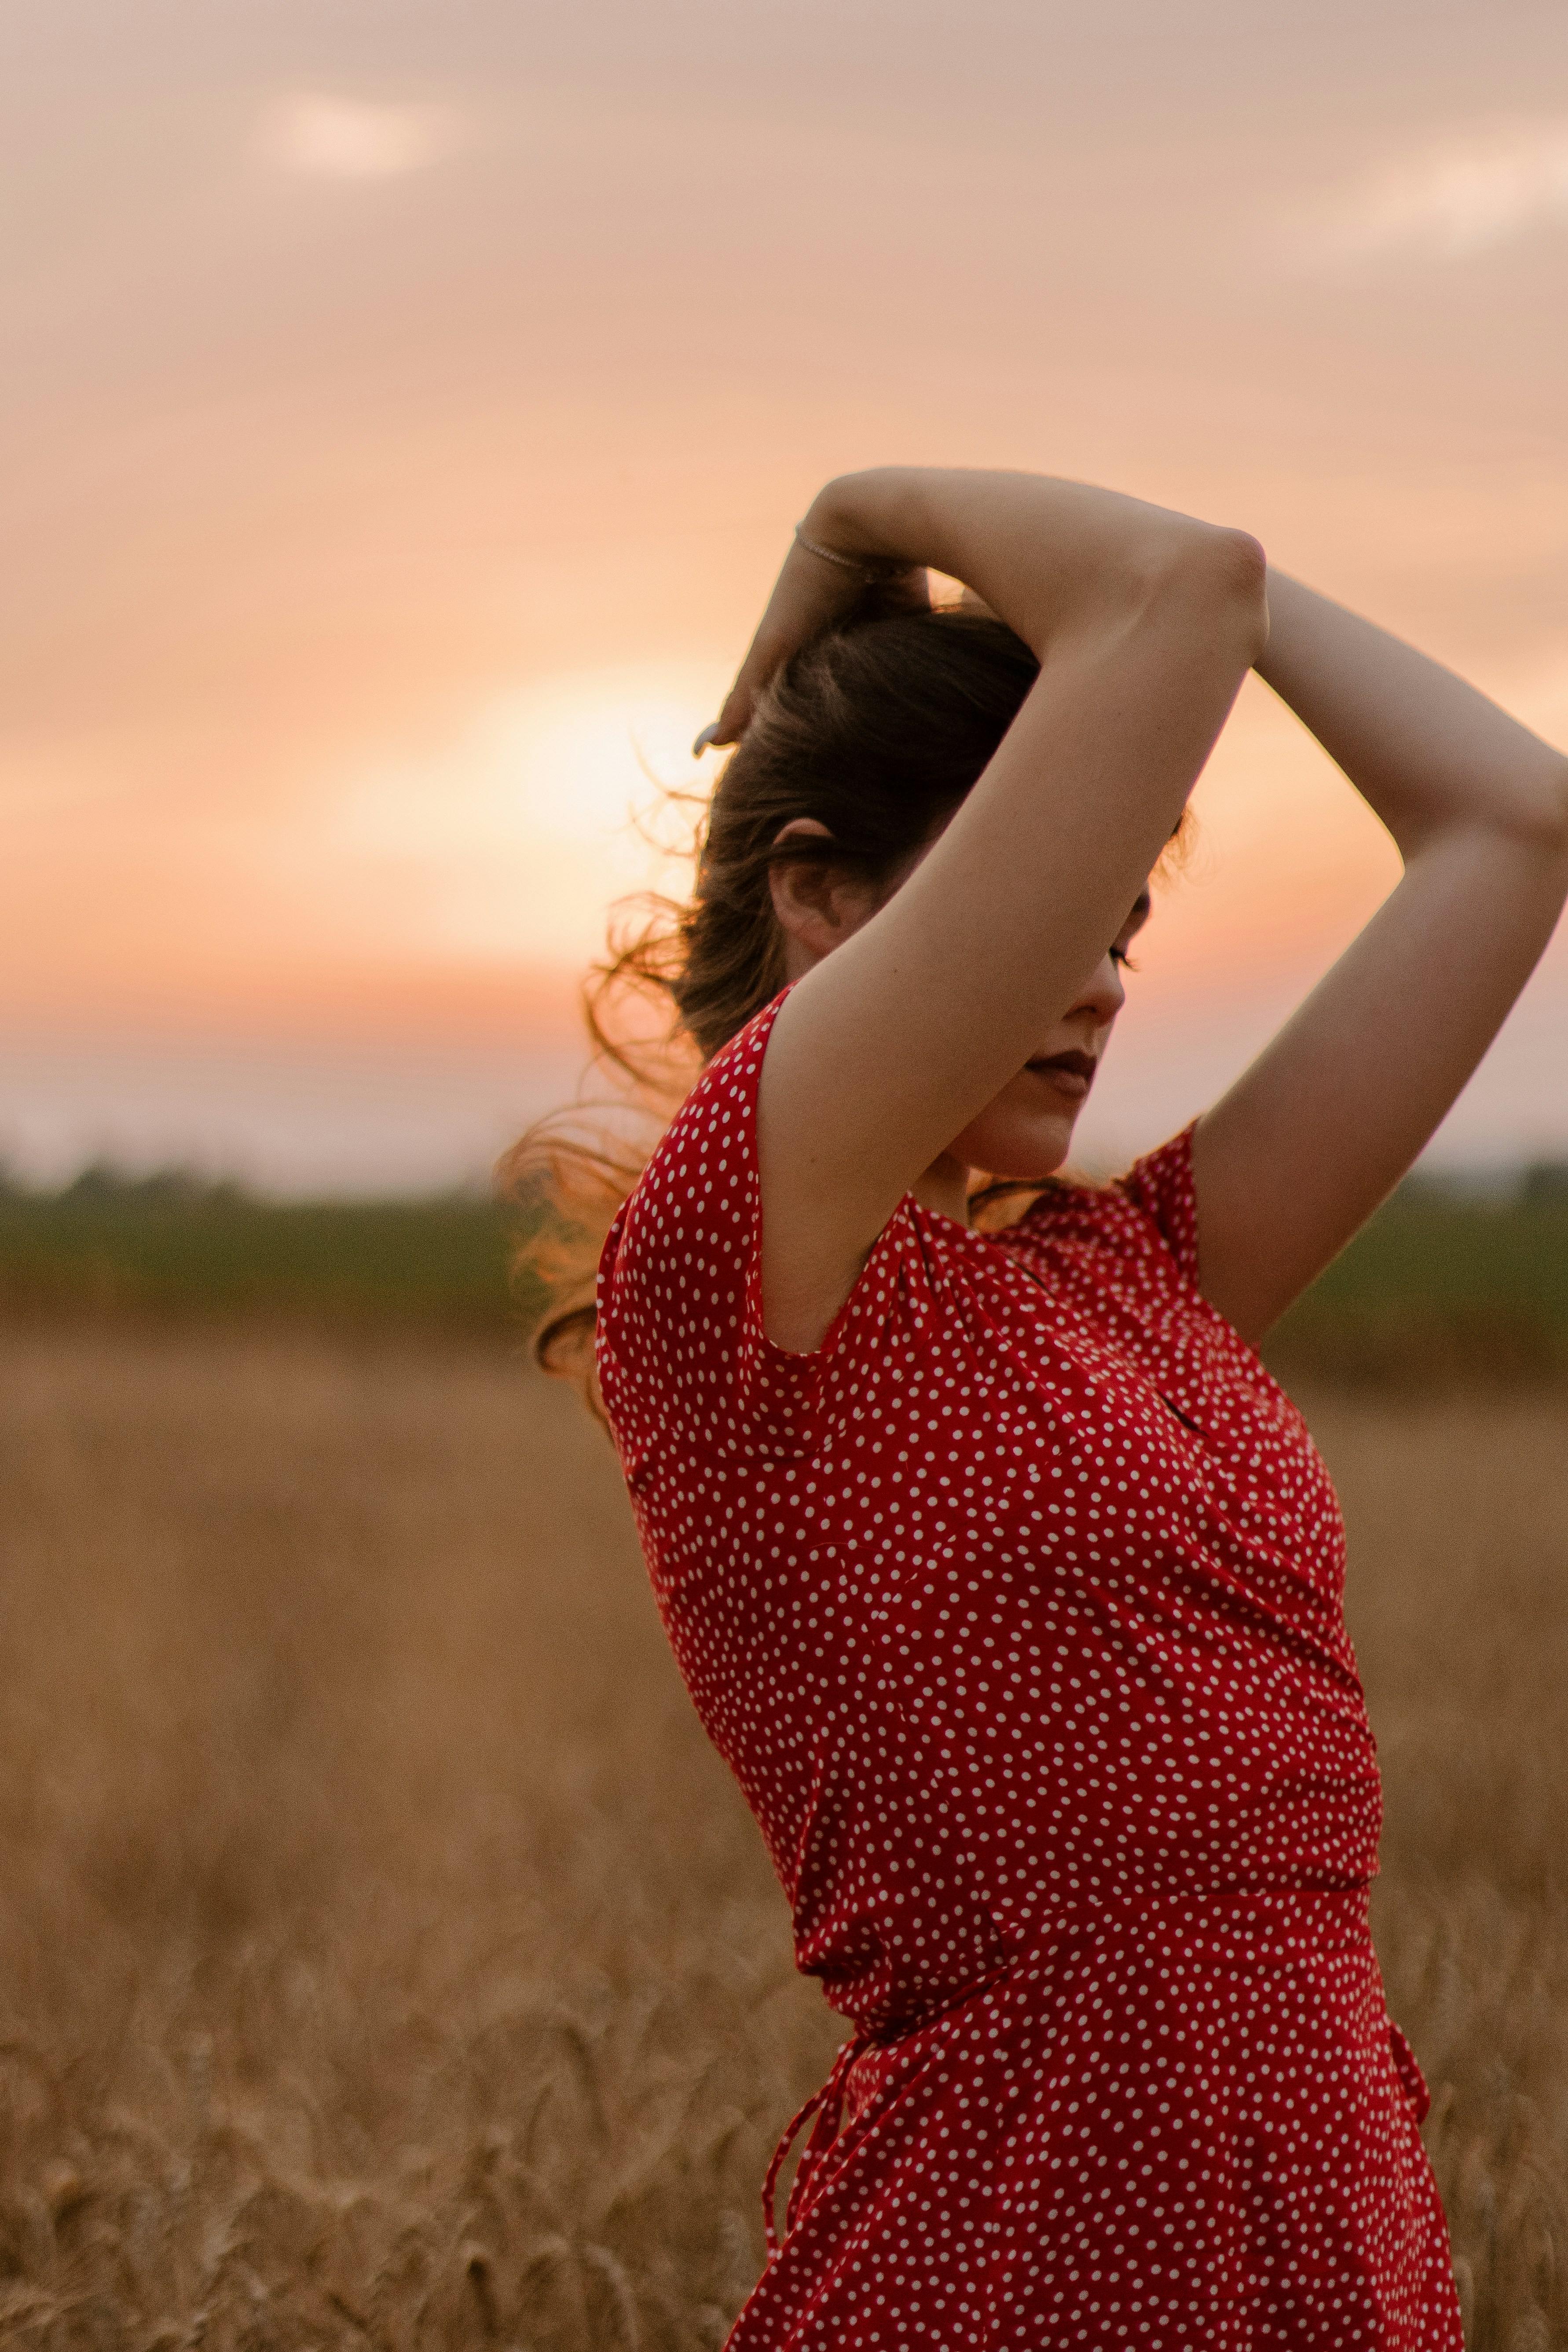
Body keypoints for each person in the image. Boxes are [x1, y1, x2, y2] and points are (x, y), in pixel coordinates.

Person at [517, 468, 1568, 2348]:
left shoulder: (1132, 1275)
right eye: (1055, 910)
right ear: (824, 899)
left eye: (1128, 919)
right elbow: (1181, 584)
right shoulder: (733, 1265)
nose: (1100, 984)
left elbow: (1513, 817)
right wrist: (874, 500)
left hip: (1330, 2237)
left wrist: (1224, 616)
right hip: (1024, 2238)